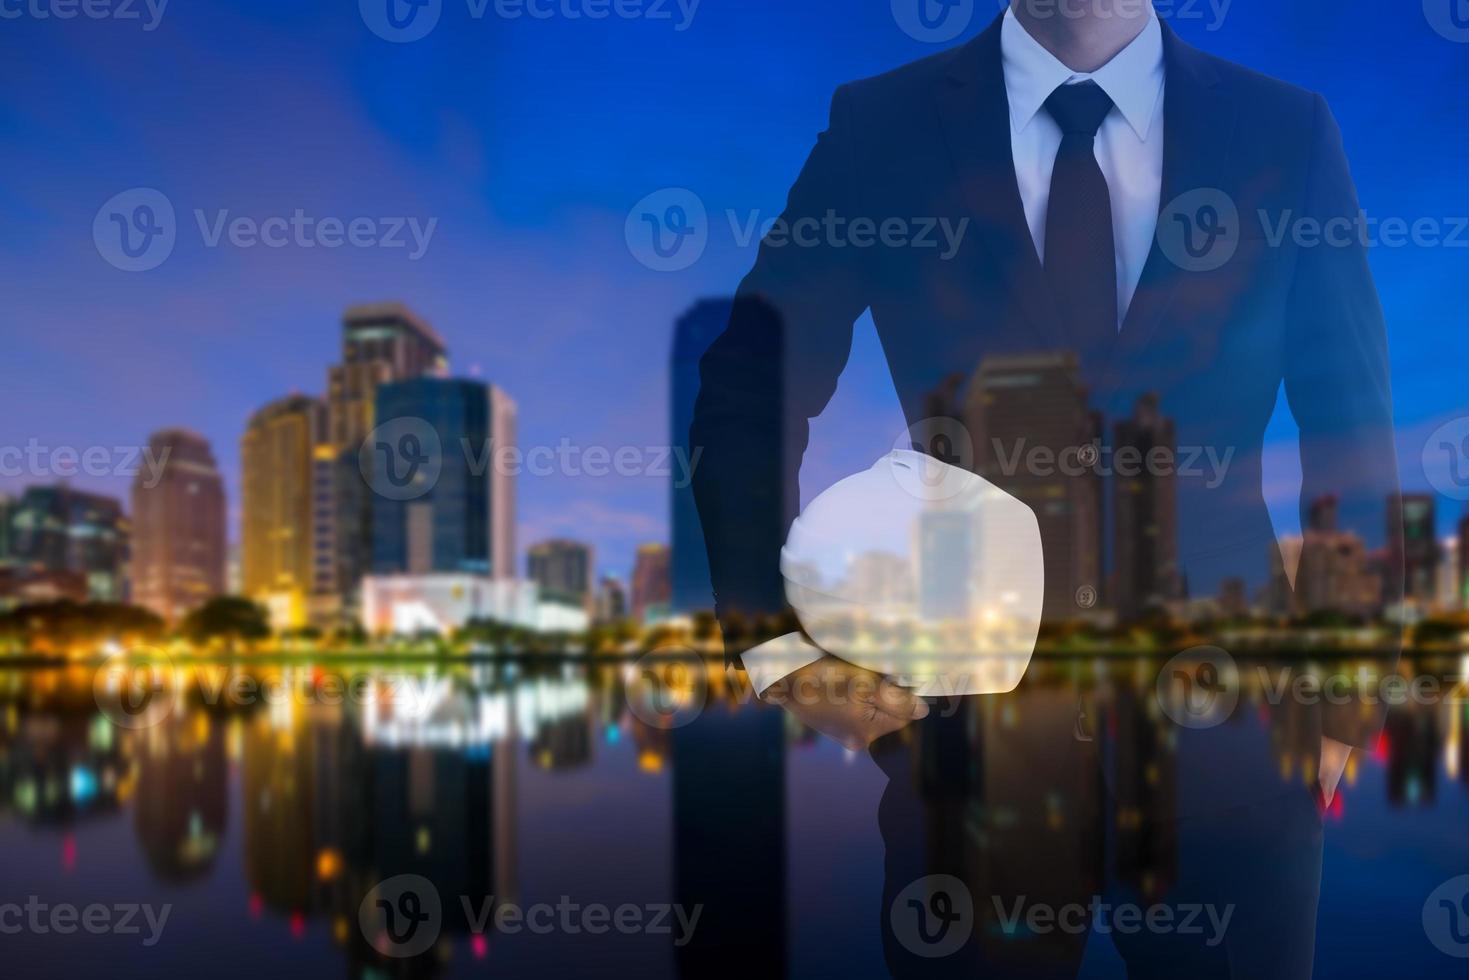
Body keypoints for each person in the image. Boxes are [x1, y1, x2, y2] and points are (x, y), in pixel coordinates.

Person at [690, 3, 1402, 977]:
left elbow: (1351, 433)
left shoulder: (1284, 130)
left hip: (1237, 753)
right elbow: (746, 385)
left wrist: (1342, 701)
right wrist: (776, 645)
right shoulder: (880, 126)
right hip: (966, 761)